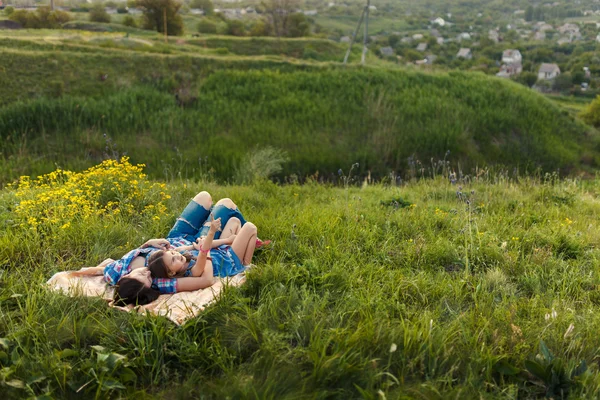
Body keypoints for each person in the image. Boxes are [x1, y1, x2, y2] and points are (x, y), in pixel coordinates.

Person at [69, 191, 257, 306]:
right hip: (197, 246)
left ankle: (232, 232)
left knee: (204, 197)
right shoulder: (161, 281)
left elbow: (100, 270)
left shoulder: (115, 272)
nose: (146, 273)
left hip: (176, 238)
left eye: (142, 275)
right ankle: (239, 234)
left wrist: (149, 243)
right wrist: (205, 246)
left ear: (126, 277)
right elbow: (204, 278)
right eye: (148, 278)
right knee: (226, 204)